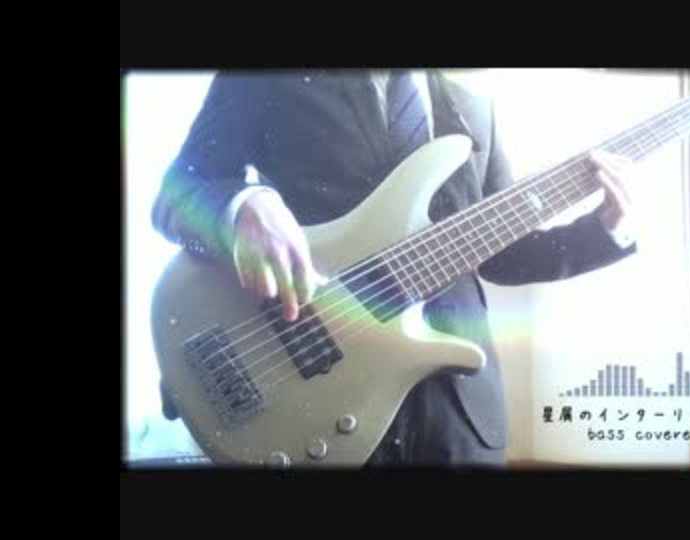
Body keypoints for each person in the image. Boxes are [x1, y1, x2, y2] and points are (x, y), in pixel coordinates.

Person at [151, 69, 640, 467]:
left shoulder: (472, 107)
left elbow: (502, 255)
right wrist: (242, 206)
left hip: (460, 416)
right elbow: (178, 193)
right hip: (316, 389)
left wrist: (604, 231)